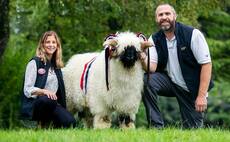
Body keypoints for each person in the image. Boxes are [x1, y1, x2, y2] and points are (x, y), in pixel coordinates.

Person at [140, 4, 214, 128]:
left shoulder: (192, 34)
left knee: (193, 131)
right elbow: (151, 68)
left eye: (167, 14)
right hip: (170, 82)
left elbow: (206, 64)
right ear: (156, 19)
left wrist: (201, 96)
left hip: (191, 89)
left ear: (175, 16)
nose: (164, 17)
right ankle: (156, 127)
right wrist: (142, 57)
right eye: (160, 15)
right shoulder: (154, 38)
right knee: (146, 80)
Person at [20, 31, 76, 128]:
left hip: (53, 103)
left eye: (53, 42)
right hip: (37, 104)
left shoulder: (57, 67)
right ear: (42, 44)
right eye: (48, 42)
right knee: (47, 100)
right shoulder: (35, 63)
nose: (51, 45)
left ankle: (51, 125)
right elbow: (27, 89)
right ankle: (40, 124)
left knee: (70, 122)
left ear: (57, 46)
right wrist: (44, 91)